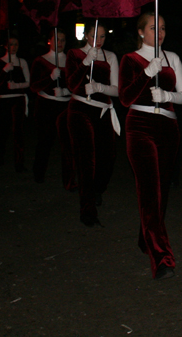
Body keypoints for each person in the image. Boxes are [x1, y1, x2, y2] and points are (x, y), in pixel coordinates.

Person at [119, 12, 182, 280]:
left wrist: (167, 95)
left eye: (162, 28)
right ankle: (162, 258)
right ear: (141, 32)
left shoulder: (172, 58)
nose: (159, 33)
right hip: (140, 125)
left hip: (168, 128)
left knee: (161, 191)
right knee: (149, 190)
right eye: (153, 28)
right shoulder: (130, 59)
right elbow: (125, 98)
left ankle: (146, 238)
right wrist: (147, 73)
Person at [66, 23, 120, 227]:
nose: (99, 40)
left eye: (103, 36)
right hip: (80, 109)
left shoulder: (110, 56)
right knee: (86, 160)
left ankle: (96, 189)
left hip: (103, 110)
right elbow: (71, 85)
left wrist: (99, 87)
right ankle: (87, 209)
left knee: (107, 157)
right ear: (86, 36)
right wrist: (85, 63)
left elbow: (117, 90)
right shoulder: (74, 54)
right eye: (95, 35)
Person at [30, 30, 74, 188]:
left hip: (65, 106)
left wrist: (67, 91)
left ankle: (69, 179)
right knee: (45, 142)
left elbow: (76, 84)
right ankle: (39, 173)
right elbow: (34, 86)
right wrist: (50, 78)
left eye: (63, 40)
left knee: (68, 145)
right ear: (50, 41)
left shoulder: (71, 61)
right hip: (46, 106)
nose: (60, 43)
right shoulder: (40, 61)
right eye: (57, 39)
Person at [0, 36, 31, 173]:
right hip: (3, 99)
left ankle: (19, 162)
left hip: (18, 99)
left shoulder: (22, 62)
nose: (13, 47)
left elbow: (28, 82)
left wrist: (17, 85)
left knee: (18, 131)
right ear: (5, 46)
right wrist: (4, 70)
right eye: (11, 44)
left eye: (16, 44)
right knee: (2, 129)